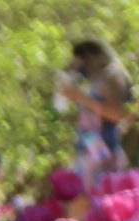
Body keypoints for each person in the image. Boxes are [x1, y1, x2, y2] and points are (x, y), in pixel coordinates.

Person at [56, 40, 131, 178]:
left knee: (98, 192)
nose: (80, 65)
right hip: (88, 144)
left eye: (82, 60)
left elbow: (116, 113)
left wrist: (80, 96)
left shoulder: (112, 76)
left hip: (104, 147)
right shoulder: (93, 80)